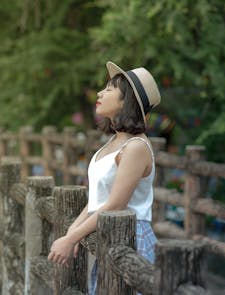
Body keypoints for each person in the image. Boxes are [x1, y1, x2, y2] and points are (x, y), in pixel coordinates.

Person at [47, 61, 161, 294]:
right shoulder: (112, 144)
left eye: (109, 89)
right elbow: (96, 201)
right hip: (110, 234)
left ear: (126, 100)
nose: (100, 92)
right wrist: (70, 235)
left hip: (132, 237)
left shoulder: (136, 147)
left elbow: (115, 204)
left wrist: (72, 238)